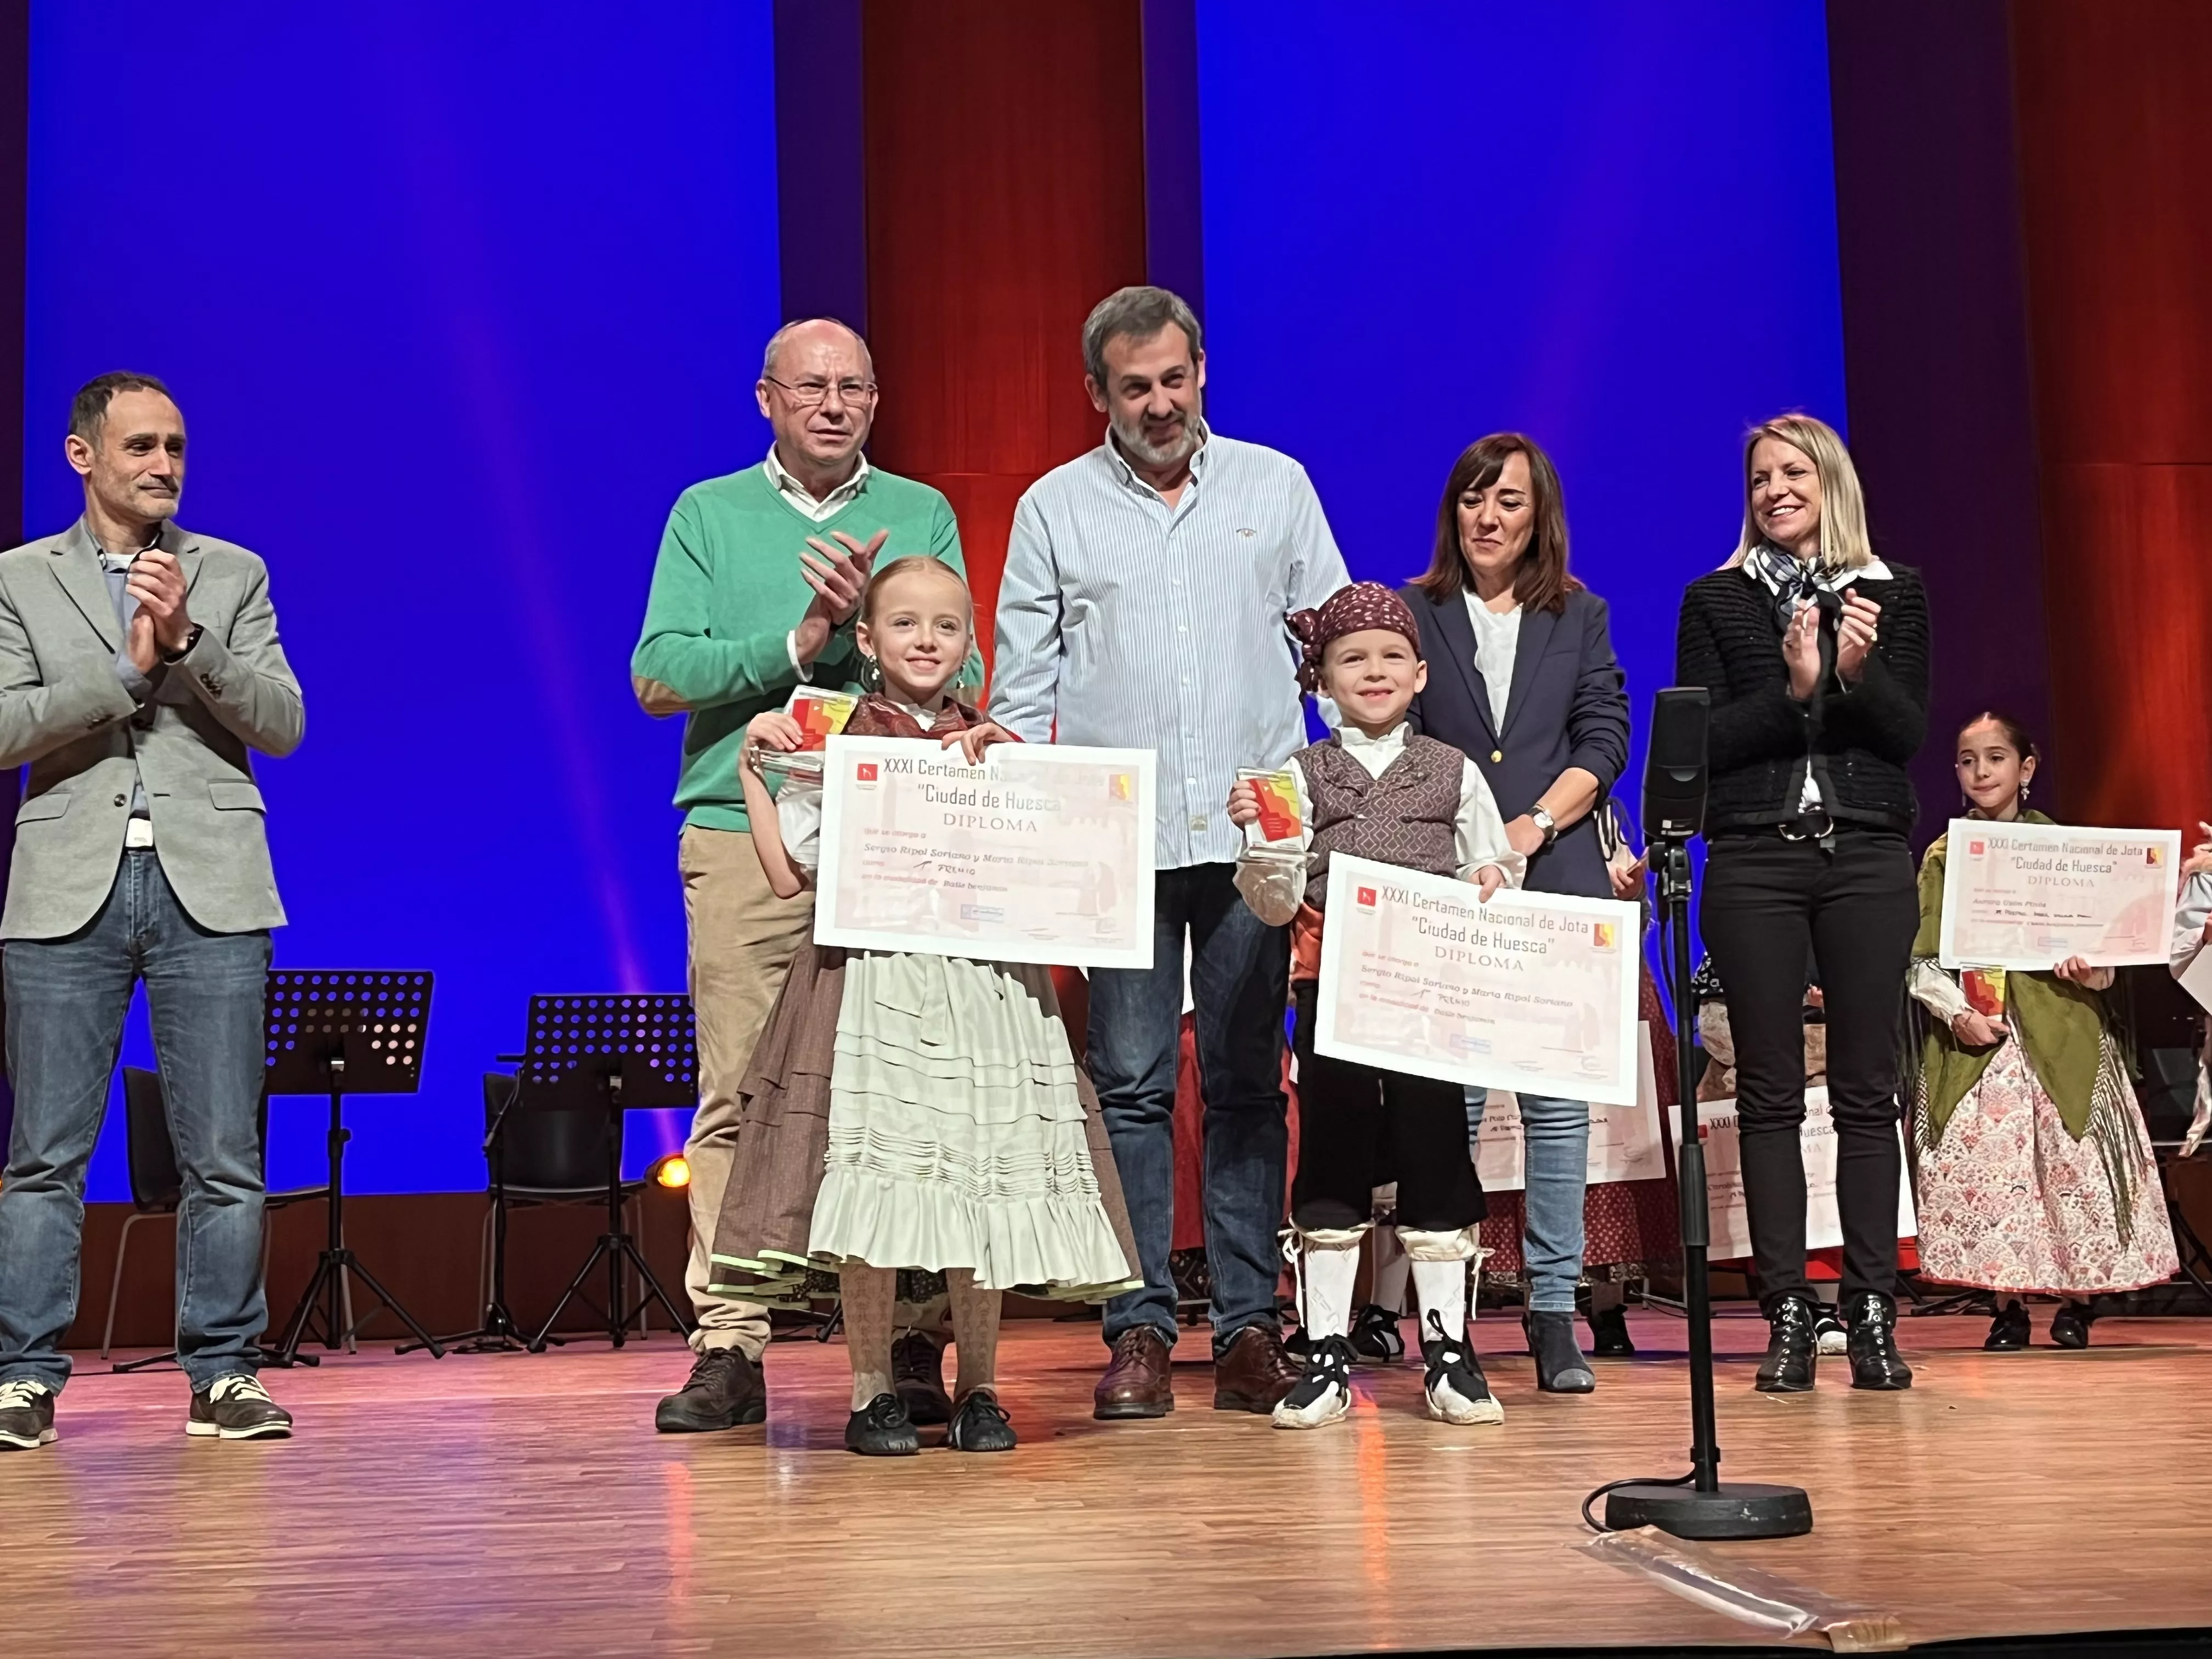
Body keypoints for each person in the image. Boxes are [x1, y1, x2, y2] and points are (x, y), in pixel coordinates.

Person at [991, 285, 1350, 1419]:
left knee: (1249, 1086)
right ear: (1097, 393)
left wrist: (1342, 812)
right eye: (1133, 385)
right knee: (1133, 1088)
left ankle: (1250, 1328)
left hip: (1252, 839)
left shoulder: (1277, 487)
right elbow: (1022, 688)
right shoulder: (1054, 508)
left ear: (1203, 374)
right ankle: (1139, 1327)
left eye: (1173, 379)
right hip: (1120, 842)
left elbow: (1337, 650)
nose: (1158, 403)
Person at [630, 319, 979, 1435]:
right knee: (737, 1091)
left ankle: (915, 1340)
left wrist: (879, 638)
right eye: (811, 388)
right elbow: (657, 673)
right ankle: (730, 1345)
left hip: (897, 832)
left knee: (907, 1091)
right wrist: (802, 639)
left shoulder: (918, 512)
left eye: (855, 389)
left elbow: (964, 664)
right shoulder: (708, 512)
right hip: (745, 829)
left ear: (876, 401)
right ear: (766, 399)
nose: (833, 405)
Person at [710, 556, 1138, 1454]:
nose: (925, 640)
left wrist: (1015, 779)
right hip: (878, 985)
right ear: (865, 639)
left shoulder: (995, 747)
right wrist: (759, 766)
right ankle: (872, 1389)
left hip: (984, 991)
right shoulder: (841, 743)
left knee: (977, 1185)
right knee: (885, 1186)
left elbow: (1061, 864)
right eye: (904, 623)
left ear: (968, 642)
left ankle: (980, 1386)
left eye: (945, 625)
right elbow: (791, 875)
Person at [0, 373, 304, 1451]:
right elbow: (5, 727)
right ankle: (23, 1375)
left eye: (175, 444)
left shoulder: (233, 573)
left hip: (210, 884)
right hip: (66, 887)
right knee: (45, 1152)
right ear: (84, 457)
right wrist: (128, 677)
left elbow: (282, 723)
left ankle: (223, 1371)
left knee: (224, 1153)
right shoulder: (19, 581)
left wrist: (191, 647)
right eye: (139, 446)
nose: (162, 464)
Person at [1674, 412, 1927, 1393]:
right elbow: (1706, 743)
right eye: (1760, 476)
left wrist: (1854, 676)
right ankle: (1786, 1309)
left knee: (1867, 1091)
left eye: (1793, 472)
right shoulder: (1716, 599)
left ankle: (1869, 1310)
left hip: (1864, 856)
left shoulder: (1893, 592)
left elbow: (1904, 734)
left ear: (1830, 482)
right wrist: (1792, 686)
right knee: (1767, 1094)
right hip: (1753, 860)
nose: (1775, 488)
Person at [1228, 583, 1522, 1429]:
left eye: (1392, 655)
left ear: (1423, 673)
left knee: (1437, 1154)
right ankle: (1324, 1354)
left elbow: (1491, 863)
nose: (1375, 670)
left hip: (1431, 998)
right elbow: (1273, 903)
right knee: (1332, 1154)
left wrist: (1495, 881)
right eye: (1351, 657)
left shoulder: (1454, 771)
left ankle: (1449, 1354)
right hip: (1335, 993)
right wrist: (1269, 845)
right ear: (1319, 680)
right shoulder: (1297, 774)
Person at [1400, 433, 1630, 1391]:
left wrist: (1530, 825)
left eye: (1508, 502)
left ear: (1540, 518)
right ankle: (1446, 1316)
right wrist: (1461, 843)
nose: (1487, 517)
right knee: (1447, 1107)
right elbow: (1390, 733)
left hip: (1555, 874)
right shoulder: (1411, 610)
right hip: (1450, 887)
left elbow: (1604, 734)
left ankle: (1550, 1310)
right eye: (1472, 498)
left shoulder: (1578, 613)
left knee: (1553, 1106)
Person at [1910, 714, 2179, 1347]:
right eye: (1969, 760)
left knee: (2069, 1166)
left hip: (2064, 1032)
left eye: (1997, 758)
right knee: (1997, 1170)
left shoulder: (2067, 850)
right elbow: (1921, 960)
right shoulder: (1946, 856)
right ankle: (2007, 1304)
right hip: (1985, 1035)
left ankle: (2077, 1301)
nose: (1982, 773)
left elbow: (2109, 966)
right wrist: (1958, 1013)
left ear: (2026, 769)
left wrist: (2089, 973)